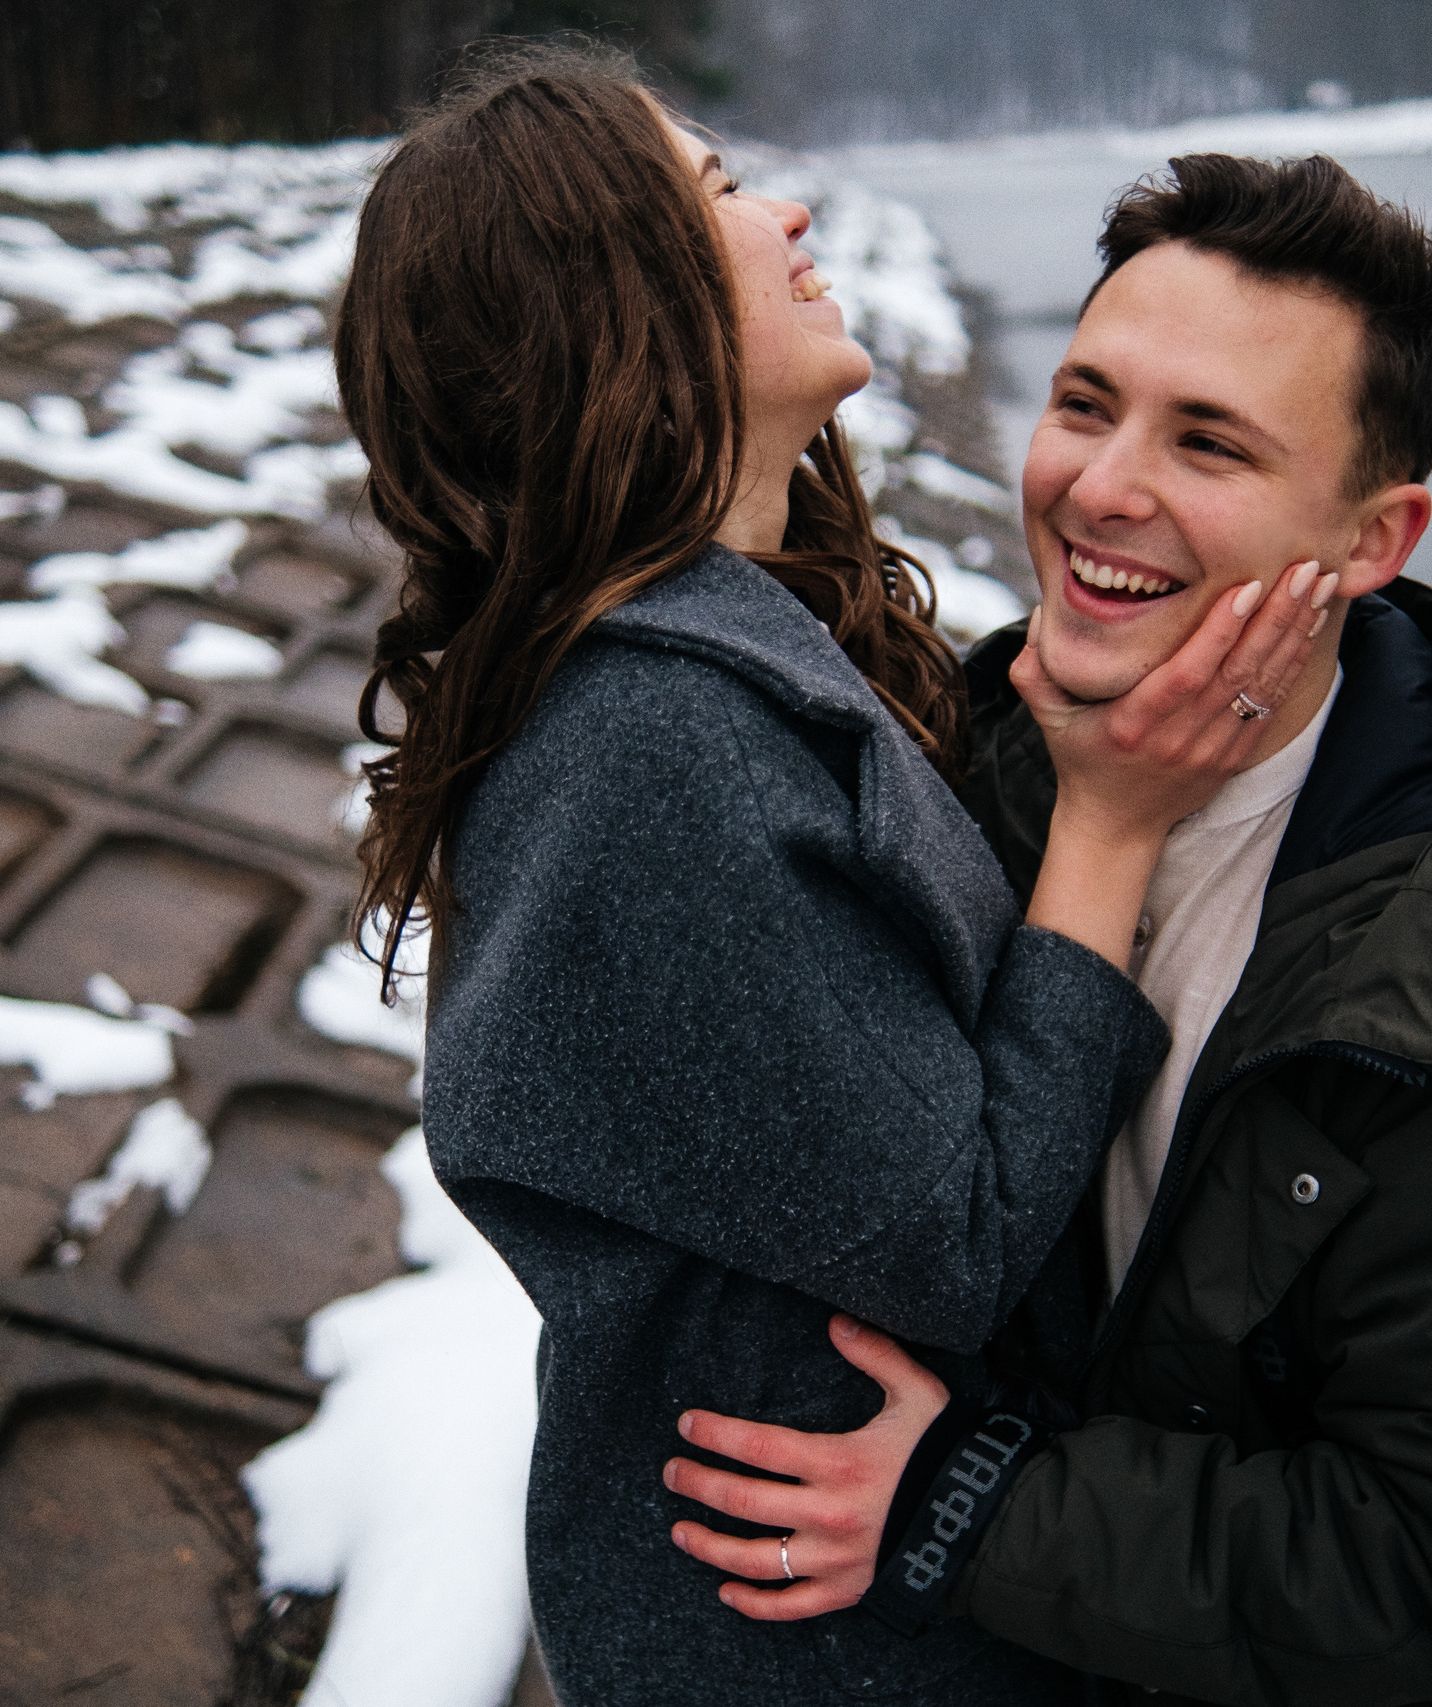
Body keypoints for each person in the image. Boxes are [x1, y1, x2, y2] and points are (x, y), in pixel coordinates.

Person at [335, 49, 1338, 1707]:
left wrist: (1390, 737)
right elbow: (959, 1234)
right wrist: (1109, 833)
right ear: (618, 302)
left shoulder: (710, 651)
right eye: (720, 192)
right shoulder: (652, 750)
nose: (790, 207)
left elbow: (964, 774)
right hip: (821, 1649)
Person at [664, 153, 1432, 1706]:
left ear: (1370, 543)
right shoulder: (947, 762)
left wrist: (981, 1505)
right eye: (1085, 403)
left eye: (1206, 442)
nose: (1100, 486)